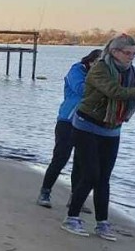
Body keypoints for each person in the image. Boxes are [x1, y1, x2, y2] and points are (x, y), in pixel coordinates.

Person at [61, 35, 135, 240]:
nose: (131, 57)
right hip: (86, 126)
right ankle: (71, 217)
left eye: (134, 53)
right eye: (127, 53)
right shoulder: (99, 69)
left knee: (104, 179)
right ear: (114, 51)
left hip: (112, 129)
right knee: (90, 174)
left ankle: (102, 223)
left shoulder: (133, 72)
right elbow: (115, 92)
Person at [38, 49, 103, 207]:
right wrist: (102, 84)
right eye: (99, 63)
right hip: (67, 120)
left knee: (81, 162)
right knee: (60, 158)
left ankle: (76, 197)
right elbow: (81, 89)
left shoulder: (100, 77)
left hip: (87, 122)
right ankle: (45, 192)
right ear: (91, 61)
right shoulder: (77, 70)